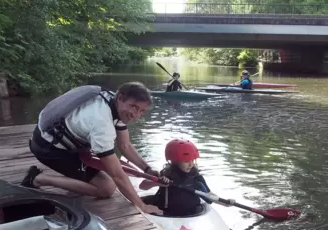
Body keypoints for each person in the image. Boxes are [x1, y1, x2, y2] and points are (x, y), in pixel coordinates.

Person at [21, 82, 162, 214]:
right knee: (106, 187)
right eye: (134, 107)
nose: (136, 115)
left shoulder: (110, 100)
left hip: (51, 137)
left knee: (103, 172)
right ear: (120, 98)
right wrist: (142, 205)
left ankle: (74, 177)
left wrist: (147, 169)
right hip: (48, 148)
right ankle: (37, 178)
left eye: (142, 111)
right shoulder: (102, 125)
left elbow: (125, 145)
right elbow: (118, 176)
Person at [142, 138, 235, 216]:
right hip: (168, 214)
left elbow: (209, 195)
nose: (191, 164)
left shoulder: (196, 177)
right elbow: (142, 186)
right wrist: (157, 183)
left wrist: (225, 203)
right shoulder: (166, 175)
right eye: (186, 161)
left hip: (192, 215)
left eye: (192, 160)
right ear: (174, 161)